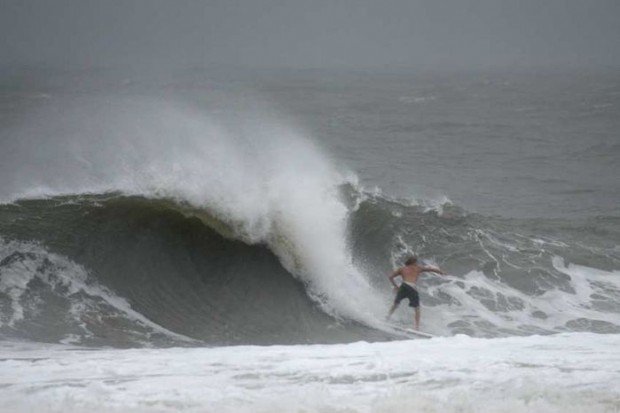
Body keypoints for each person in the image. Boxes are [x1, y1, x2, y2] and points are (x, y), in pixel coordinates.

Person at [386, 256, 446, 330]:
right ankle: (416, 327)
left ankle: (387, 318)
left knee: (396, 304)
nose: (416, 263)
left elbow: (390, 277)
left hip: (404, 286)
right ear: (414, 262)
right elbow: (431, 269)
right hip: (412, 287)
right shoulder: (418, 268)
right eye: (416, 262)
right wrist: (441, 272)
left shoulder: (401, 269)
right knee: (417, 308)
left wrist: (396, 286)